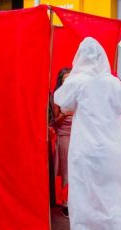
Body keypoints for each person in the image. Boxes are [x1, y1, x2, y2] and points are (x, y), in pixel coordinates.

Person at [54, 37, 121, 230]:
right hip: (110, 151)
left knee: (84, 193)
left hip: (84, 150)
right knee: (111, 193)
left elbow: (62, 101)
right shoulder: (113, 83)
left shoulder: (77, 82)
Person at [52, 68, 72, 218]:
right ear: (61, 81)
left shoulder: (76, 94)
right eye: (65, 79)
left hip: (78, 135)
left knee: (77, 170)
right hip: (64, 135)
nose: (68, 81)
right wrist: (65, 113)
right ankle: (64, 202)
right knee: (66, 170)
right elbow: (55, 122)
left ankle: (73, 200)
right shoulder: (57, 97)